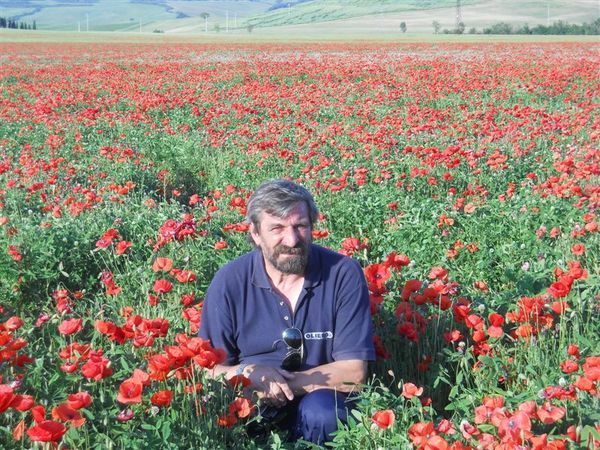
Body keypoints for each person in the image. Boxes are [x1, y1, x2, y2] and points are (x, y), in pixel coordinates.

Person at [199, 179, 375, 445]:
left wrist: (279, 386)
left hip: (324, 405)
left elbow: (354, 372)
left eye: (300, 226)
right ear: (256, 234)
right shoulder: (230, 281)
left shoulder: (342, 273)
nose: (291, 240)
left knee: (321, 411)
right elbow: (207, 370)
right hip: (252, 408)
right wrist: (247, 374)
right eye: (277, 228)